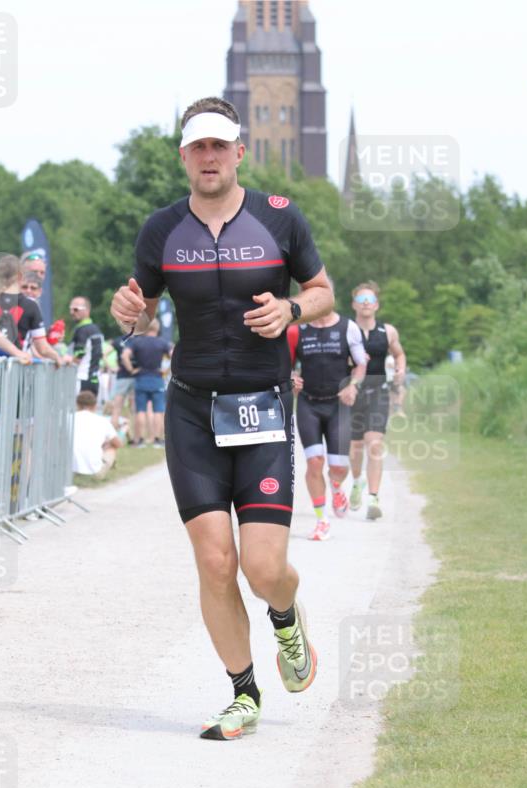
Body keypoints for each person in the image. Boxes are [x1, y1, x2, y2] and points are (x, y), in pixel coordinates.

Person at [110, 96, 333, 741]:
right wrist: (131, 310)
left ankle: (286, 619)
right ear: (184, 156)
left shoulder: (280, 219)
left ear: (239, 152)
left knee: (264, 568)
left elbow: (323, 293)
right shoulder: (162, 229)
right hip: (191, 410)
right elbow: (142, 308)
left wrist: (292, 312)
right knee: (214, 561)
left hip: (262, 406)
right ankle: (243, 693)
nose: (209, 158)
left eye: (219, 146)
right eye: (197, 147)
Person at [288, 286, 367, 541]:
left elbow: (360, 365)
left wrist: (353, 386)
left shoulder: (348, 328)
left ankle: (336, 486)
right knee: (314, 462)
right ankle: (322, 520)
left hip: (338, 405)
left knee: (337, 467)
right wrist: (291, 377)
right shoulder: (296, 330)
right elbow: (284, 366)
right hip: (308, 404)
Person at [348, 282, 407, 520]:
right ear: (353, 304)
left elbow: (399, 353)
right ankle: (356, 482)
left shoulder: (388, 331)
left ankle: (373, 497)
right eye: (361, 299)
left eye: (369, 299)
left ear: (376, 305)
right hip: (353, 393)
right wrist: (352, 364)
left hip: (379, 391)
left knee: (374, 443)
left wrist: (400, 369)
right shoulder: (346, 330)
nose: (365, 303)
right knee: (355, 446)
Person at [0, 255, 69, 365]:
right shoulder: (30, 305)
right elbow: (42, 348)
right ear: (21, 276)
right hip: (16, 366)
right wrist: (56, 357)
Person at [121, 317, 172, 447]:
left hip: (141, 377)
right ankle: (157, 440)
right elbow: (174, 355)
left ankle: (139, 440)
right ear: (157, 328)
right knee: (158, 411)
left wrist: (131, 370)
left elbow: (124, 356)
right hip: (157, 378)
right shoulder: (162, 343)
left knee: (140, 411)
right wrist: (166, 370)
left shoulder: (137, 342)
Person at [72, 390, 122, 478]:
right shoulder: (103, 421)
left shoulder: (69, 418)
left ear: (77, 404)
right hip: (94, 470)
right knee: (112, 448)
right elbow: (118, 444)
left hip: (70, 469)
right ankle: (101, 471)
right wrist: (106, 444)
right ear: (95, 406)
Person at [68, 296, 104, 394]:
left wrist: (66, 360)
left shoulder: (82, 330)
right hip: (95, 378)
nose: (72, 312)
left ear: (87, 310)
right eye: (70, 309)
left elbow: (79, 355)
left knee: (79, 409)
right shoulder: (96, 329)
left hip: (82, 377)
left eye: (76, 309)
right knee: (91, 409)